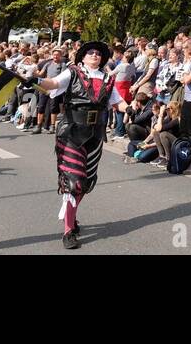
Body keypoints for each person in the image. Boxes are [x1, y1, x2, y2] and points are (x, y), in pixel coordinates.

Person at [26, 40, 131, 250]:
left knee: (87, 183)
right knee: (74, 183)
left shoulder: (108, 80)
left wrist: (130, 108)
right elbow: (53, 84)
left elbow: (118, 103)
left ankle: (71, 217)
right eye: (90, 53)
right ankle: (68, 230)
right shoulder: (72, 72)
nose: (94, 55)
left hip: (95, 136)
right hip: (72, 133)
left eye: (98, 54)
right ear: (82, 57)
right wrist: (35, 80)